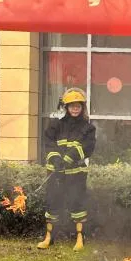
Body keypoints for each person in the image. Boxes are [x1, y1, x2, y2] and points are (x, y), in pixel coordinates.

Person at [37, 87, 96, 252]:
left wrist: (69, 158)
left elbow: (88, 147)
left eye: (78, 106)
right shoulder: (56, 125)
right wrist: (55, 159)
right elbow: (49, 143)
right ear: (66, 107)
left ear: (82, 107)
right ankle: (49, 237)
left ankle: (80, 238)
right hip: (55, 173)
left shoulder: (88, 128)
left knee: (77, 203)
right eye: (72, 106)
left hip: (76, 174)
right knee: (52, 203)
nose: (75, 108)